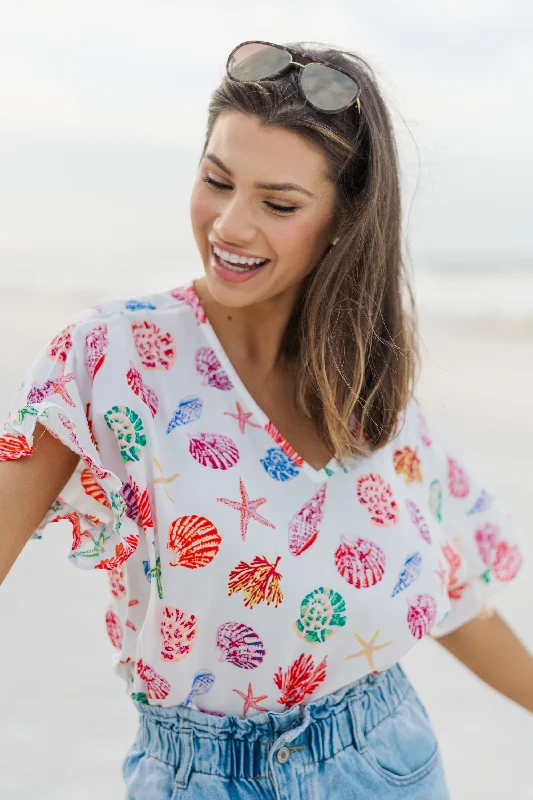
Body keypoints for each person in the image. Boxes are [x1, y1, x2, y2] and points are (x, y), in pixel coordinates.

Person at [0, 40, 531, 800]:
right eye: (215, 181)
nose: (230, 225)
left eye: (277, 204)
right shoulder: (111, 357)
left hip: (387, 762)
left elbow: (455, 599)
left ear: (343, 219)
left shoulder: (362, 382)